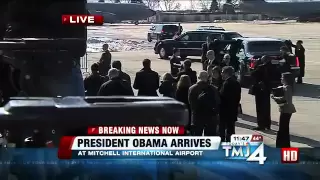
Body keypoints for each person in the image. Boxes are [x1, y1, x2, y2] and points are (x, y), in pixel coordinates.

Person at [1, 0, 87, 97]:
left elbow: (79, 44)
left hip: (22, 65)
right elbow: (79, 44)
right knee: (73, 108)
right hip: (57, 68)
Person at [188, 71, 220, 136]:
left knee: (197, 136)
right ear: (207, 77)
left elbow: (191, 103)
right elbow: (218, 102)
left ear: (198, 77)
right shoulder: (214, 88)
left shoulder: (192, 88)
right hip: (210, 116)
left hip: (197, 116)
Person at [250, 56, 275, 130]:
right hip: (267, 89)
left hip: (260, 90)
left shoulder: (261, 67)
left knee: (260, 107)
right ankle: (267, 124)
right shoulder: (272, 67)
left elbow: (252, 74)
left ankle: (261, 124)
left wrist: (255, 65)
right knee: (267, 107)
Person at [271, 72, 296, 148]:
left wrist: (275, 98)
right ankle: (283, 144)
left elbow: (286, 100)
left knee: (283, 127)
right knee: (283, 127)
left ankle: (283, 144)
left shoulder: (287, 87)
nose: (281, 79)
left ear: (286, 79)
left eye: (282, 77)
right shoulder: (285, 86)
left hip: (286, 110)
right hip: (285, 109)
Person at [219, 66, 241, 142]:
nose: (221, 74)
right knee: (231, 129)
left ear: (226, 73)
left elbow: (222, 97)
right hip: (233, 109)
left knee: (222, 129)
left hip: (225, 110)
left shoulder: (226, 83)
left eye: (222, 72)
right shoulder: (236, 83)